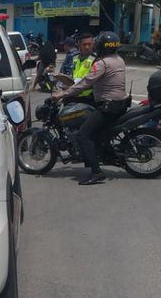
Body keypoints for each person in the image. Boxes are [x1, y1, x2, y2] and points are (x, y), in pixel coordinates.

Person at [52, 31, 128, 185]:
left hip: (107, 105)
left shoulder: (101, 63)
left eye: (91, 43)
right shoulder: (119, 59)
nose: (88, 46)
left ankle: (96, 172)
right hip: (118, 103)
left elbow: (86, 82)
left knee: (83, 135)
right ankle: (95, 155)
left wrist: (62, 94)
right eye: (84, 44)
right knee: (92, 131)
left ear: (98, 45)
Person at [68, 32, 96, 103]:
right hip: (73, 95)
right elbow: (72, 75)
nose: (87, 47)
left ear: (93, 44)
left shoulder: (96, 59)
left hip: (88, 97)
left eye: (89, 44)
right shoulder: (75, 58)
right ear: (79, 45)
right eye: (84, 44)